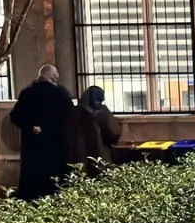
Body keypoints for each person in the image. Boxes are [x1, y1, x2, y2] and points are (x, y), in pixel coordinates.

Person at [10, 65, 75, 201]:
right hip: (55, 144)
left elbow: (15, 116)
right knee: (54, 178)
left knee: (32, 176)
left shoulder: (27, 93)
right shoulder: (61, 94)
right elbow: (71, 117)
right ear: (53, 77)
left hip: (32, 144)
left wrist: (31, 126)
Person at [79, 86, 122, 160]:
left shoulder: (77, 111)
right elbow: (114, 131)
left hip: (81, 152)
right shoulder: (103, 111)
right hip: (101, 151)